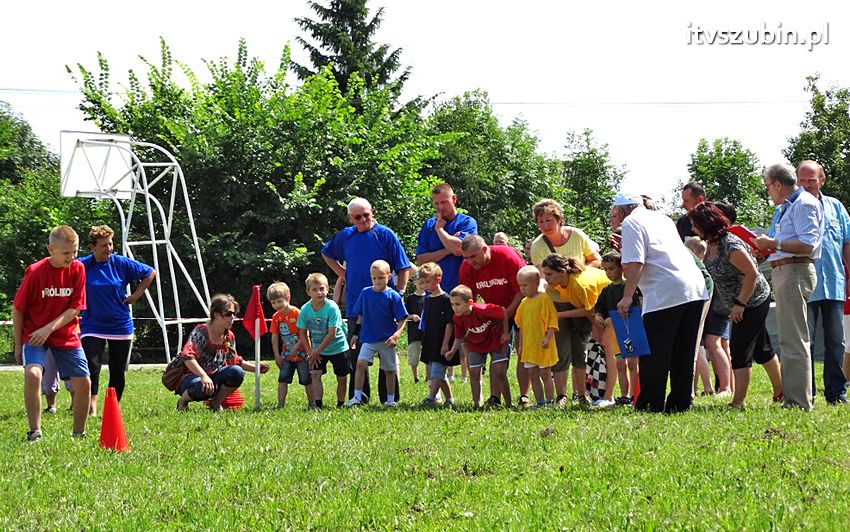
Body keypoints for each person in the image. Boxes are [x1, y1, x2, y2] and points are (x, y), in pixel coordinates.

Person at [614, 192, 708, 413]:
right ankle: (680, 403)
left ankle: (650, 404)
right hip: (694, 287)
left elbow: (636, 262)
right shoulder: (662, 217)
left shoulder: (630, 222)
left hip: (665, 292)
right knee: (683, 351)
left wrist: (627, 297)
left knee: (655, 353)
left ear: (622, 210)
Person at [690, 203, 781, 408]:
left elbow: (753, 274)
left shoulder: (729, 244)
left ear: (706, 224)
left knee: (740, 351)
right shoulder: (710, 245)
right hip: (738, 304)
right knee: (762, 348)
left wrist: (740, 304)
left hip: (754, 301)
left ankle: (738, 401)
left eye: (696, 225)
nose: (693, 229)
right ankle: (781, 389)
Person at [322, 197, 412, 404]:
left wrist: (400, 291)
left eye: (366, 215)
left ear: (372, 211)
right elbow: (326, 253)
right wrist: (344, 274)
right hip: (357, 304)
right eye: (358, 217)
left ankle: (390, 397)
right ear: (350, 218)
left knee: (386, 353)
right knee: (358, 353)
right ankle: (359, 396)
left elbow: (403, 266)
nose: (363, 219)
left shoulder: (385, 234)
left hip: (384, 306)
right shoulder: (345, 236)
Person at [753, 164, 824, 411]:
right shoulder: (787, 207)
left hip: (795, 270)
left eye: (768, 187)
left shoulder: (803, 204)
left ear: (778, 184)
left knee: (795, 339)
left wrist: (772, 242)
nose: (768, 192)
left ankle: (799, 401)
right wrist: (766, 249)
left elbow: (808, 244)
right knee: (790, 337)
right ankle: (794, 398)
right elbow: (783, 244)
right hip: (786, 270)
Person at [13, 225, 91, 441]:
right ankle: (34, 431)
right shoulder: (36, 271)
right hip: (35, 334)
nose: (72, 257)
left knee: (84, 382)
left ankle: (79, 433)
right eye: (67, 253)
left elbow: (75, 308)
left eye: (75, 252)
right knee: (33, 374)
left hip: (64, 333)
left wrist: (49, 328)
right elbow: (18, 308)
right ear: (51, 250)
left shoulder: (78, 269)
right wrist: (18, 345)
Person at [77, 225, 156, 416]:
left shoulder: (120, 263)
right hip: (92, 324)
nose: (109, 249)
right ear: (92, 247)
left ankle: (113, 407)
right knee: (92, 365)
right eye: (104, 245)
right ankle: (92, 406)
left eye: (111, 244)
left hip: (120, 325)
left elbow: (149, 272)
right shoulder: (82, 265)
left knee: (117, 369)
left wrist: (136, 295)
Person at [796, 160, 850, 404]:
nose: (807, 185)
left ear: (822, 180)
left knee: (836, 341)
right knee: (806, 341)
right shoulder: (789, 207)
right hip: (805, 284)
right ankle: (808, 393)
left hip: (834, 282)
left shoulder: (836, 207)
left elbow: (846, 242)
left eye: (812, 180)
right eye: (803, 180)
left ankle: (837, 393)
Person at [458, 234, 525, 406]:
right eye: (466, 257)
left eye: (473, 256)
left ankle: (524, 396)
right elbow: (467, 298)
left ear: (485, 249)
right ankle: (495, 398)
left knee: (523, 351)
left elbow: (521, 291)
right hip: (494, 313)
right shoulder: (466, 267)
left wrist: (505, 315)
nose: (470, 261)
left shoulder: (507, 256)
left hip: (520, 306)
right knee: (498, 353)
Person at [175, 294, 269, 411]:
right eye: (228, 314)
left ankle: (215, 403)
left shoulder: (229, 336)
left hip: (213, 377)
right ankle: (182, 401)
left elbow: (235, 361)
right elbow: (187, 357)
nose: (232, 317)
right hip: (191, 377)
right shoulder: (200, 331)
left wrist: (256, 368)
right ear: (216, 314)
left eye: (234, 314)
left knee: (236, 372)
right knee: (202, 386)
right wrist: (204, 376)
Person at [540, 253, 610, 406]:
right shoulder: (557, 283)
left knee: (604, 352)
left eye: (549, 274)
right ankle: (578, 396)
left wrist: (560, 315)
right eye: (544, 273)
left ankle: (601, 396)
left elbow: (589, 312)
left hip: (609, 301)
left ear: (562, 272)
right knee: (576, 353)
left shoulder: (580, 285)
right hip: (592, 309)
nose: (546, 278)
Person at [345, 260, 409, 407]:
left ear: (389, 277)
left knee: (389, 370)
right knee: (360, 364)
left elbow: (402, 318)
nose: (377, 281)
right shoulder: (366, 293)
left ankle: (391, 400)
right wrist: (356, 334)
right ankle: (357, 397)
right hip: (368, 338)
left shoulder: (393, 296)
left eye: (381, 277)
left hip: (386, 340)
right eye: (374, 278)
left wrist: (396, 335)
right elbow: (360, 315)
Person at [446, 284, 511, 408]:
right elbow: (459, 336)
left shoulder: (483, 309)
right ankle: (477, 404)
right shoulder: (457, 318)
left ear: (470, 302)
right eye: (452, 304)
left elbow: (502, 311)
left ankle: (509, 403)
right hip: (476, 345)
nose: (455, 308)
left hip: (495, 342)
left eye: (458, 304)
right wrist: (452, 351)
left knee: (500, 372)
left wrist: (506, 332)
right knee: (474, 373)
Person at [685, 236, 732, 397]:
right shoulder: (706, 266)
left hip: (716, 309)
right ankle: (714, 387)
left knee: (710, 346)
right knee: (717, 346)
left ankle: (723, 387)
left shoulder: (702, 269)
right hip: (718, 308)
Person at [594, 251, 640, 406]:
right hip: (615, 333)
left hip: (630, 328)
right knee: (620, 364)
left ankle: (635, 394)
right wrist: (598, 315)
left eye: (611, 268)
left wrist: (613, 318)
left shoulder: (629, 287)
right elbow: (600, 307)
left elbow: (634, 307)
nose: (608, 272)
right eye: (605, 269)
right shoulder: (607, 290)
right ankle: (624, 395)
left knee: (633, 363)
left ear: (621, 268)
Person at [298, 273, 350, 409]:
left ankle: (340, 403)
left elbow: (332, 334)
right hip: (316, 350)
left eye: (322, 288)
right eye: (314, 290)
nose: (319, 292)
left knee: (342, 378)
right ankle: (318, 405)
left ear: (327, 289)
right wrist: (310, 352)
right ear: (308, 292)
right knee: (315, 374)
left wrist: (316, 352)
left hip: (338, 347)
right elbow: (302, 333)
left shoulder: (332, 308)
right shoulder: (305, 310)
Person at [415, 183, 479, 293]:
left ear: (454, 199)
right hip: (433, 294)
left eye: (444, 202)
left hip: (460, 292)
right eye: (436, 203)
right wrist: (448, 249)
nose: (440, 207)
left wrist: (440, 230)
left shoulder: (467, 222)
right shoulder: (429, 225)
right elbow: (420, 260)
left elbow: (460, 250)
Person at [514, 266, 559, 408]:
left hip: (543, 345)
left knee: (545, 374)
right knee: (533, 375)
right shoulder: (523, 303)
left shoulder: (545, 299)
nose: (522, 289)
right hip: (529, 346)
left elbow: (552, 321)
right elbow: (520, 326)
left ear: (535, 283)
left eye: (525, 285)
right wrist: (520, 345)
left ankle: (550, 401)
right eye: (520, 285)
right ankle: (539, 402)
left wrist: (548, 337)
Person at [417, 262, 457, 406]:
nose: (425, 285)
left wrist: (446, 343)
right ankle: (450, 399)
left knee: (437, 372)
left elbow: (449, 323)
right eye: (423, 282)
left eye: (428, 281)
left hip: (442, 341)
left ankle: (431, 398)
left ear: (438, 280)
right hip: (431, 340)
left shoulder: (446, 299)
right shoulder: (427, 299)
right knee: (439, 373)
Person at [267, 282, 311, 409]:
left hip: (302, 354)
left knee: (307, 380)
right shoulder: (276, 317)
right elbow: (274, 336)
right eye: (273, 303)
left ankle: (312, 403)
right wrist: (276, 355)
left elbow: (305, 333)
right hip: (286, 356)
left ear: (288, 298)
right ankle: (280, 404)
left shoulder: (297, 313)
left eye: (279, 301)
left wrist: (296, 348)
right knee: (282, 379)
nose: (276, 305)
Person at [529, 199, 601, 268]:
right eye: (541, 222)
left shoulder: (577, 235)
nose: (545, 226)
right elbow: (543, 276)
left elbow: (596, 260)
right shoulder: (537, 246)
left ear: (559, 219)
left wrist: (579, 272)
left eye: (548, 220)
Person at [404, 266, 426, 384]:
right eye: (420, 282)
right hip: (414, 332)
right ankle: (415, 377)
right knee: (414, 356)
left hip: (426, 331)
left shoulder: (428, 297)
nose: (422, 285)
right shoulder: (411, 298)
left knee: (428, 355)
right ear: (415, 283)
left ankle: (428, 376)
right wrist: (412, 316)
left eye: (424, 282)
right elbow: (403, 314)